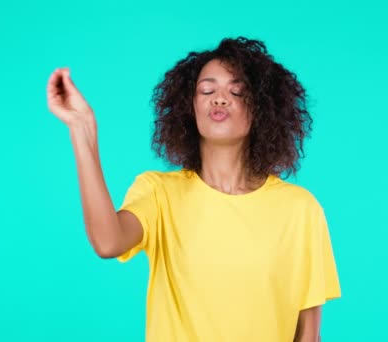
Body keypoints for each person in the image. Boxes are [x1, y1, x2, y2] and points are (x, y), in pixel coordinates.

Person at [46, 37, 341, 342]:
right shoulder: (159, 194)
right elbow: (108, 242)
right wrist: (82, 130)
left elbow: (308, 335)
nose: (220, 98)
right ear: (191, 107)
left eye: (236, 90)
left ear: (261, 109)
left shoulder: (299, 210)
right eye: (207, 90)